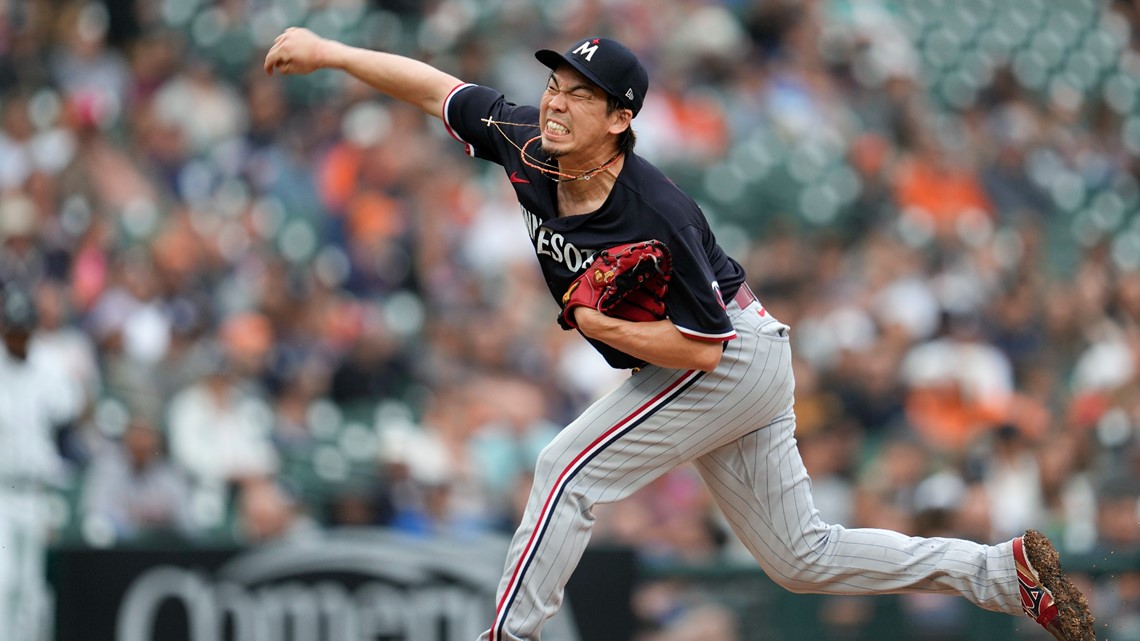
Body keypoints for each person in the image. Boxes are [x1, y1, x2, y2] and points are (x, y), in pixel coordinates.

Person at [263, 29, 1097, 641]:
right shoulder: (524, 136)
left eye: (579, 94)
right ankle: (1000, 572)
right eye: (555, 82)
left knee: (564, 469)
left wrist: (589, 320)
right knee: (799, 558)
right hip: (725, 358)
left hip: (728, 355)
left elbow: (704, 349)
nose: (555, 99)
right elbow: (430, 87)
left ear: (621, 119)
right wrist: (332, 52)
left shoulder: (656, 213)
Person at [0, 288, 82, 641]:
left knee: (33, 587)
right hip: (1, 491)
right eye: (13, 329)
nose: (20, 336)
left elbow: (71, 414)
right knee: (4, 581)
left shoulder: (49, 364)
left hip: (36, 489)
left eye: (25, 328)